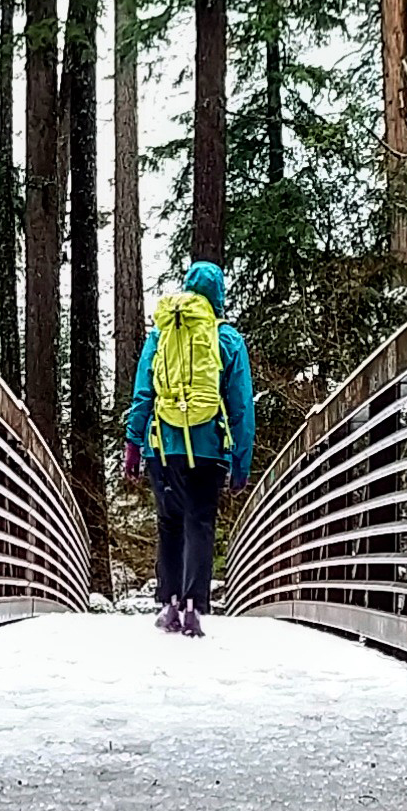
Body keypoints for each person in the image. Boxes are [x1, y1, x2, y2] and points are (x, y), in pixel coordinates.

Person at [121, 259, 254, 636]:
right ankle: (194, 605)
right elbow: (241, 406)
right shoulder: (227, 339)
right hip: (209, 447)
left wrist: (133, 443)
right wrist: (240, 461)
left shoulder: (161, 334)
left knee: (170, 523)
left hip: (163, 445)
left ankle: (169, 603)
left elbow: (143, 392)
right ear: (219, 295)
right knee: (200, 522)